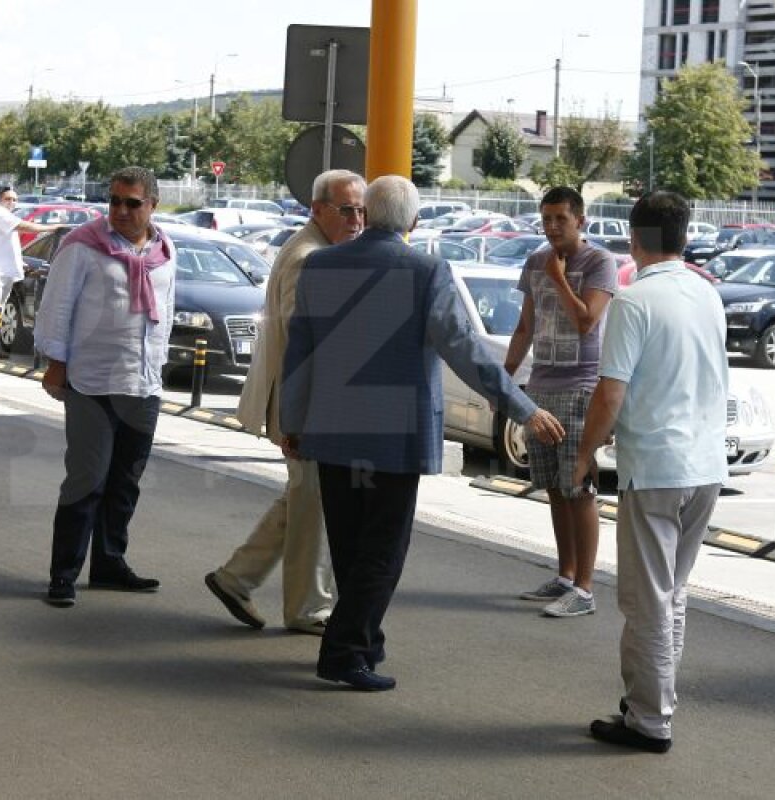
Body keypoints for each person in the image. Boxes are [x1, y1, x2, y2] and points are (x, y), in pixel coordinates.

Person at [281, 175, 565, 691]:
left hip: (333, 430)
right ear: (414, 221)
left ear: (365, 212)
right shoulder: (427, 270)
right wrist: (521, 407)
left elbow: (300, 350)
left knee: (350, 545)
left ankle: (363, 640)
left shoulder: (321, 266)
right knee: (384, 548)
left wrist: (292, 421)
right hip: (394, 434)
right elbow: (466, 351)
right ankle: (345, 652)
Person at [573, 191, 728, 753]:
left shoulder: (634, 302)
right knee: (672, 593)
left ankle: (649, 719)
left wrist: (584, 454)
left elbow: (610, 393)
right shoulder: (709, 297)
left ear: (635, 240)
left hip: (657, 469)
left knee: (646, 599)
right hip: (707, 467)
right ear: (683, 237)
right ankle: (652, 698)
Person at [205, 170, 366, 635]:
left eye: (362, 210)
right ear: (318, 209)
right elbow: (305, 340)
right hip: (305, 405)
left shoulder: (317, 249)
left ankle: (236, 578)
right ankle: (306, 609)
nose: (357, 220)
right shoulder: (309, 257)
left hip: (306, 403)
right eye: (346, 210)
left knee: (304, 498)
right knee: (313, 505)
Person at [35, 166, 175, 608]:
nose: (121, 210)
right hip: (92, 381)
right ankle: (64, 573)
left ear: (152, 204)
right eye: (114, 201)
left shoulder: (165, 249)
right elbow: (57, 308)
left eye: (133, 203)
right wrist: (56, 363)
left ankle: (110, 562)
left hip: (142, 381)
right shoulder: (82, 247)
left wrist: (160, 365)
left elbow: (166, 311)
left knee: (125, 481)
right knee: (86, 479)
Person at [504, 186, 616, 618]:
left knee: (578, 486)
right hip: (542, 388)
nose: (551, 227)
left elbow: (588, 322)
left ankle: (584, 590)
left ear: (580, 221)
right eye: (546, 218)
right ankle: (565, 575)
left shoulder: (599, 262)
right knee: (553, 486)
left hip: (581, 388)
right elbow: (524, 329)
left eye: (560, 219)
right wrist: (504, 382)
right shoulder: (535, 262)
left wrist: (557, 278)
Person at [0, 186, 61, 356]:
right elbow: (23, 226)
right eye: (8, 199)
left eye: (14, 199)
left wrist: (22, 265)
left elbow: (7, 246)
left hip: (2, 272)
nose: (12, 202)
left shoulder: (5, 215)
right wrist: (53, 228)